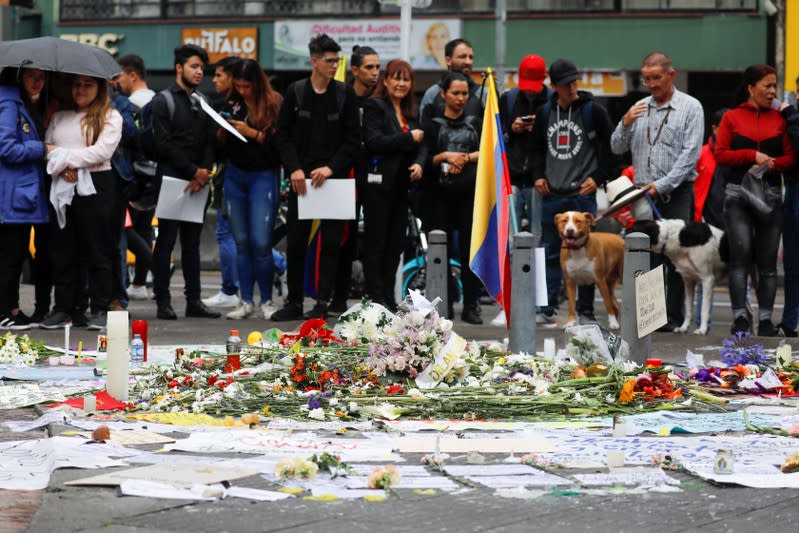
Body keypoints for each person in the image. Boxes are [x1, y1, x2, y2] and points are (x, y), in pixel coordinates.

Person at [610, 52, 704, 331]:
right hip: (643, 196)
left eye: (656, 78)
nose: (651, 84)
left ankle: (674, 317)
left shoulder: (691, 107)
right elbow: (616, 147)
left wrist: (660, 185)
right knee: (645, 254)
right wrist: (625, 122)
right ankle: (649, 317)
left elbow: (690, 156)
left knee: (676, 257)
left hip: (675, 191)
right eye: (646, 79)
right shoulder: (639, 107)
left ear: (670, 75)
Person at [273, 34, 360, 321]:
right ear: (314, 61)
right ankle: (294, 301)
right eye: (329, 60)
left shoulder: (345, 94)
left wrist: (331, 168)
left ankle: (323, 302)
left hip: (333, 181)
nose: (334, 65)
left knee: (332, 244)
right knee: (296, 242)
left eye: (337, 60)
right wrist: (295, 168)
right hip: (302, 182)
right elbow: (282, 136)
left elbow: (352, 140)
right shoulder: (295, 92)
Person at [531, 58, 615, 327]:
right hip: (552, 193)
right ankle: (548, 308)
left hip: (581, 192)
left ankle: (586, 311)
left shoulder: (593, 111)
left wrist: (598, 178)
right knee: (550, 252)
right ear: (553, 85)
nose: (572, 88)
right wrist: (538, 176)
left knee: (587, 252)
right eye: (566, 84)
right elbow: (536, 150)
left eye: (574, 82)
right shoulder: (545, 113)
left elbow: (611, 149)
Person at [715, 64, 795, 336]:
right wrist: (752, 155)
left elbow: (791, 158)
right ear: (750, 88)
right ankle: (740, 318)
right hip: (737, 195)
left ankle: (764, 321)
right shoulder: (732, 117)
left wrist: (773, 164)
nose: (772, 91)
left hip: (771, 196)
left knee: (768, 263)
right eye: (767, 85)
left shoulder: (780, 118)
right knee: (740, 257)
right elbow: (720, 154)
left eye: (774, 85)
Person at [41, 74, 123, 330]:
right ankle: (65, 308)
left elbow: (102, 152)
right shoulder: (58, 116)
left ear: (99, 88)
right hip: (62, 186)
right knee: (63, 249)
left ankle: (100, 308)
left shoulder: (110, 116)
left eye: (88, 85)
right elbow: (46, 147)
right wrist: (65, 162)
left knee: (98, 249)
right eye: (77, 84)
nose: (81, 89)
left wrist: (65, 159)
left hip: (97, 186)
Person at [150, 44, 220, 320]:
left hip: (199, 181)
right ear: (179, 68)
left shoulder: (204, 101)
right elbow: (162, 144)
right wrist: (194, 171)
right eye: (194, 66)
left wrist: (205, 171)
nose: (199, 72)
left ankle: (194, 301)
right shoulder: (163, 101)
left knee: (192, 243)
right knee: (165, 242)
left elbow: (210, 141)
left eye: (202, 67)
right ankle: (163, 301)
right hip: (171, 178)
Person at [221, 59, 283, 321]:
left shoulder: (274, 102)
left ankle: (267, 299)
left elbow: (281, 146)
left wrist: (253, 133)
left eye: (248, 86)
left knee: (261, 241)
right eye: (239, 86)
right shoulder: (231, 103)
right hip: (235, 174)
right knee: (241, 242)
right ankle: (246, 300)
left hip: (263, 176)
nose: (243, 91)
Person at [362, 59, 426, 311]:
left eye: (406, 79)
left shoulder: (411, 111)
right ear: (386, 81)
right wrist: (406, 137)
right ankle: (375, 297)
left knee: (395, 245)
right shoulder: (375, 106)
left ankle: (388, 296)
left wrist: (420, 163)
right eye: (396, 78)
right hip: (378, 186)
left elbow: (423, 143)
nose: (401, 84)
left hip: (403, 188)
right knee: (376, 243)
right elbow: (374, 141)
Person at [424, 72, 483, 324]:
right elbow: (425, 158)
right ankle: (442, 304)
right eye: (455, 93)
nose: (460, 98)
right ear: (443, 94)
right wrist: (445, 156)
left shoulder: (475, 122)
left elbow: (489, 152)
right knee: (440, 251)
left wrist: (465, 158)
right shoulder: (432, 123)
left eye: (464, 94)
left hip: (469, 197)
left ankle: (471, 305)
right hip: (439, 197)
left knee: (471, 253)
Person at [328, 45, 381, 314]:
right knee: (342, 239)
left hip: (375, 178)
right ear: (355, 70)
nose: (374, 73)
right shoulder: (340, 96)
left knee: (373, 239)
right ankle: (337, 296)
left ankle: (376, 297)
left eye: (377, 67)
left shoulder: (381, 99)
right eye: (369, 67)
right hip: (343, 176)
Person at [0, 67, 49, 330]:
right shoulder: (8, 103)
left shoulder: (18, 102)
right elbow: (6, 147)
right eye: (31, 76)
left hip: (19, 195)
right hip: (11, 196)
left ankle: (12, 308)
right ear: (17, 76)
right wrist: (42, 148)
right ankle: (3, 311)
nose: (37, 82)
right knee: (10, 256)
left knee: (15, 255)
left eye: (41, 77)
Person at [202, 56, 243, 309]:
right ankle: (280, 266)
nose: (214, 80)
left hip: (232, 177)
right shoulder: (229, 105)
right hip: (231, 175)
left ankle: (229, 289)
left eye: (219, 75)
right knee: (241, 235)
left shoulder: (233, 107)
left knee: (226, 231)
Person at [114, 54, 156, 302]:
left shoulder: (128, 104)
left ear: (132, 75)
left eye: (119, 76)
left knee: (126, 229)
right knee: (143, 229)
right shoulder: (158, 99)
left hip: (130, 175)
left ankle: (150, 270)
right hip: (150, 176)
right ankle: (140, 281)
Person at [500, 54, 550, 236]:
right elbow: (499, 139)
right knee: (510, 237)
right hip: (511, 178)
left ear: (544, 78)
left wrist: (541, 128)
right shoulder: (509, 99)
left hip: (539, 181)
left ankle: (536, 265)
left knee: (538, 234)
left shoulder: (552, 102)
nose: (530, 91)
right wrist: (513, 129)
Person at [418, 38, 484, 126]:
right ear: (448, 60)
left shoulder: (483, 93)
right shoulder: (432, 93)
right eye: (462, 57)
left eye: (471, 57)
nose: (468, 62)